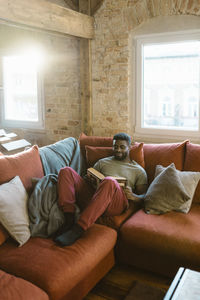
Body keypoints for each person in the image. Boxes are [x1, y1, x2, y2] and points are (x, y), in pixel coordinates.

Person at [54, 133, 148, 246]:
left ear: (129, 147)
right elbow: (86, 180)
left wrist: (133, 196)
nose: (118, 150)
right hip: (96, 197)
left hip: (116, 203)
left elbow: (145, 197)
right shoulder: (102, 162)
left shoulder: (138, 170)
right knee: (66, 171)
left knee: (109, 181)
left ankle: (79, 228)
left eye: (122, 147)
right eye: (115, 146)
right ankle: (68, 218)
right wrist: (91, 180)